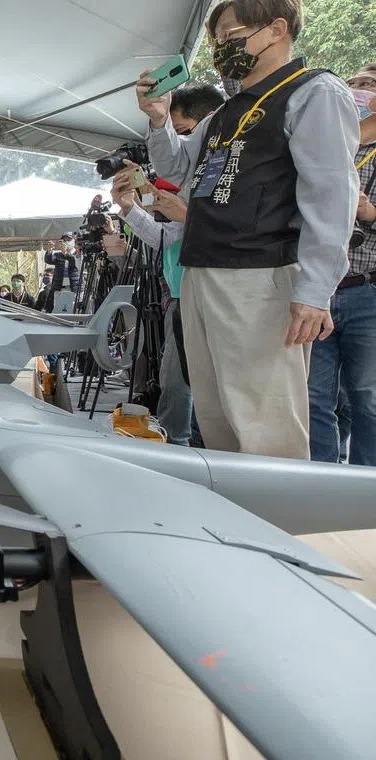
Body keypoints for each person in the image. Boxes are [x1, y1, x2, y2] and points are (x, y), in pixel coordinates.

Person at [137, 0, 357, 459]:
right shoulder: (225, 111)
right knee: (217, 415)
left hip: (260, 273)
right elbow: (178, 168)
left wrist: (315, 290)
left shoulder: (313, 92)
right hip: (201, 271)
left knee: (264, 419)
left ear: (276, 29)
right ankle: (236, 514)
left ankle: (279, 521)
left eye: (232, 37)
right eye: (217, 41)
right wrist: (159, 119)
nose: (222, 49)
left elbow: (331, 195)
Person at [113, 84, 225, 447]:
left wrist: (186, 214)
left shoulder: (228, 174)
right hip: (179, 294)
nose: (179, 150)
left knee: (198, 389)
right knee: (176, 382)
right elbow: (164, 238)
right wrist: (130, 207)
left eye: (183, 136)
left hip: (219, 294)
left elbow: (236, 234)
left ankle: (192, 452)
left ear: (209, 126)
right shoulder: (184, 183)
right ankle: (182, 449)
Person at [308, 64, 376, 466]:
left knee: (366, 397)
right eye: (351, 85)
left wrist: (370, 214)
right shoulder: (329, 146)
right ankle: (321, 482)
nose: (357, 92)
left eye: (367, 85)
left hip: (366, 292)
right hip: (318, 290)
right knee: (314, 396)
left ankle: (364, 489)